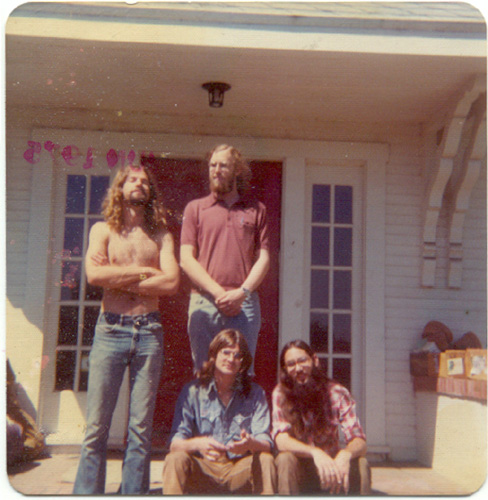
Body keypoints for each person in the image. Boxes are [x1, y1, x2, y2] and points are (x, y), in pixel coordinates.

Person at [73, 164, 179, 495]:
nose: (140, 185)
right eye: (133, 180)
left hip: (149, 332)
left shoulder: (161, 236)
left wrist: (120, 276)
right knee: (95, 428)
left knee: (140, 428)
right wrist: (146, 273)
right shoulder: (102, 231)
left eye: (146, 182)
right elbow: (95, 276)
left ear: (151, 193)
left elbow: (172, 282)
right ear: (120, 188)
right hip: (111, 331)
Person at [180, 144, 270, 372]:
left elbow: (265, 258)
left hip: (244, 304)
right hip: (205, 302)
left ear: (237, 170)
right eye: (212, 165)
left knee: (241, 376)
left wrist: (242, 293)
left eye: (223, 165)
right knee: (204, 374)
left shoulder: (256, 210)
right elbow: (186, 259)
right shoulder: (195, 209)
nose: (216, 170)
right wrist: (218, 293)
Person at [162, 329, 276, 495]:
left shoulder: (255, 393)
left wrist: (250, 444)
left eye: (238, 355)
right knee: (175, 459)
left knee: (266, 459)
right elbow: (175, 443)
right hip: (205, 468)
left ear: (243, 363)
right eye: (226, 352)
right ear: (214, 356)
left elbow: (266, 443)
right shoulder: (193, 392)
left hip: (239, 467)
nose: (231, 359)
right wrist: (198, 443)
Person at [272, 340, 371, 495]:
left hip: (332, 468)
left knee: (361, 463)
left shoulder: (337, 392)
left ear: (315, 360)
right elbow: (281, 440)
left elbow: (359, 440)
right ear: (285, 369)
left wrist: (345, 455)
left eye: (302, 361)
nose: (298, 368)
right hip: (300, 468)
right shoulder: (280, 394)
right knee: (285, 459)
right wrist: (314, 452)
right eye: (291, 364)